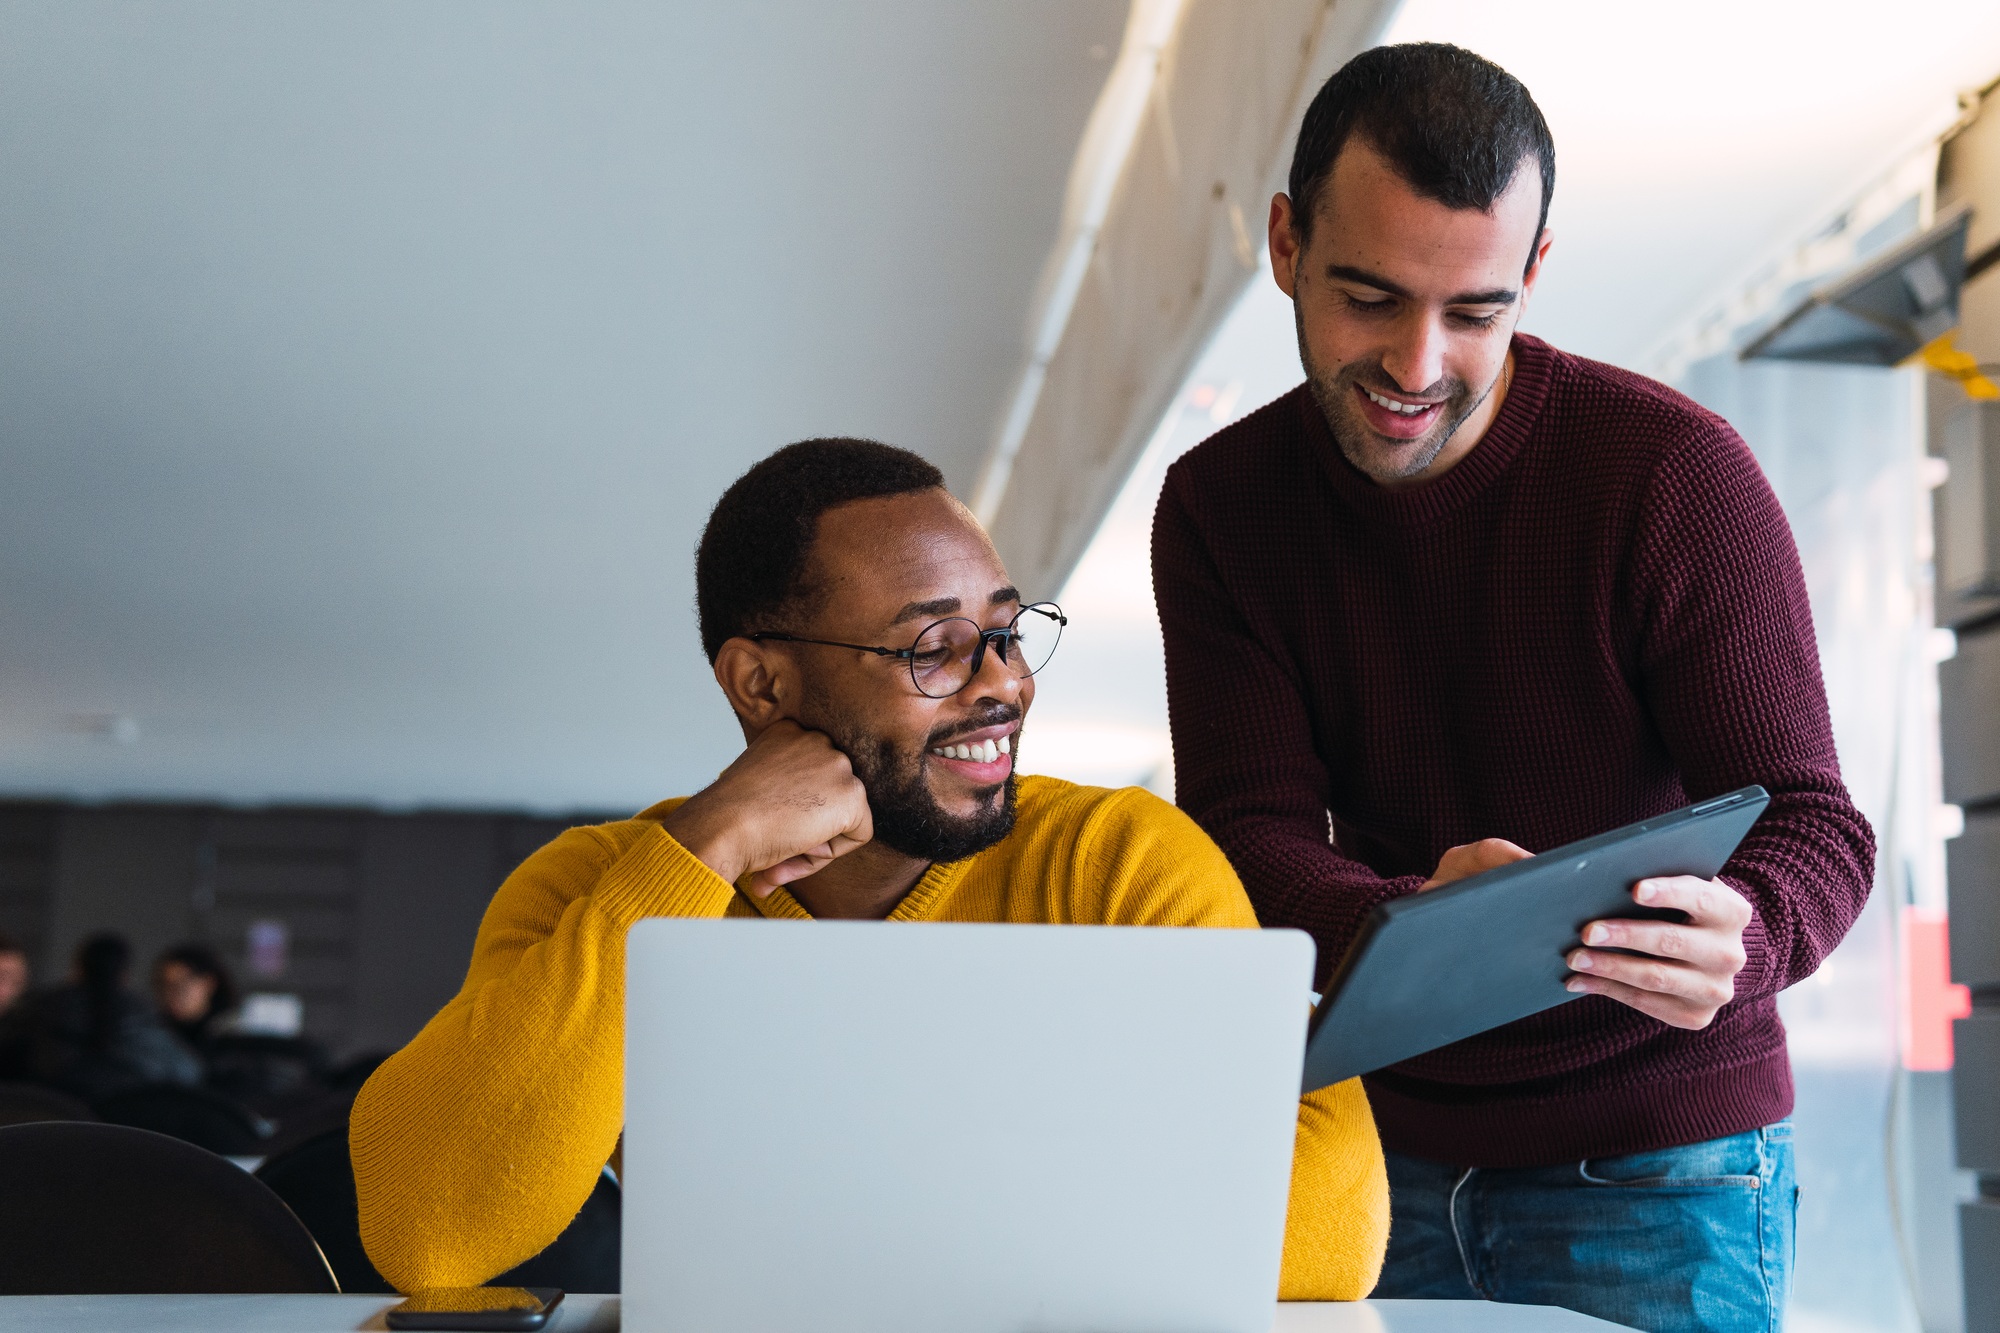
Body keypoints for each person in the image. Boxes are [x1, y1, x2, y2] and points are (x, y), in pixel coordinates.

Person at [1152, 42, 1875, 1333]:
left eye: (1475, 311)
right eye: (1368, 297)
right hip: (1376, 1156)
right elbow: (1244, 831)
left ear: (1535, 273)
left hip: (1665, 1163)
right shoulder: (1222, 507)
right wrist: (1415, 919)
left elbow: (1817, 823)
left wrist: (1748, 934)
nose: (1418, 364)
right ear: (1283, 243)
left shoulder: (1669, 475)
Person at [351, 439, 1389, 1297]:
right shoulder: (599, 889)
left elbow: (1334, 1226)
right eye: (932, 647)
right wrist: (697, 854)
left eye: (1005, 631)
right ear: (760, 683)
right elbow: (430, 1234)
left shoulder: (1120, 862)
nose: (1002, 686)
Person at [17, 932, 202, 1100]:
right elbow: (189, 1072)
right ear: (124, 974)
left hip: (47, 1126)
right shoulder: (140, 1016)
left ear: (77, 968)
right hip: (128, 1128)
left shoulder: (39, 1010)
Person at [153, 942, 240, 1053]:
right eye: (164, 985)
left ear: (209, 983)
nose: (172, 994)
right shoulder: (155, 1034)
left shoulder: (235, 1034)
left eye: (182, 985)